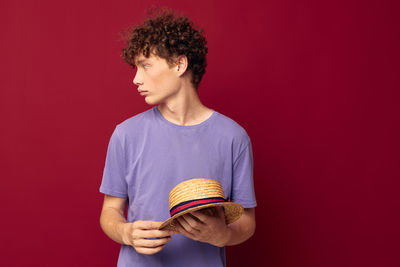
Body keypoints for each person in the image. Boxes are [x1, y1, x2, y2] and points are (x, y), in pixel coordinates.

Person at [99, 8, 257, 267]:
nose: (136, 79)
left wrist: (223, 234)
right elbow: (110, 211)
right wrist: (126, 232)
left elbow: (247, 222)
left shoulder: (233, 137)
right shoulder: (125, 134)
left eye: (146, 66)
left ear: (179, 65)